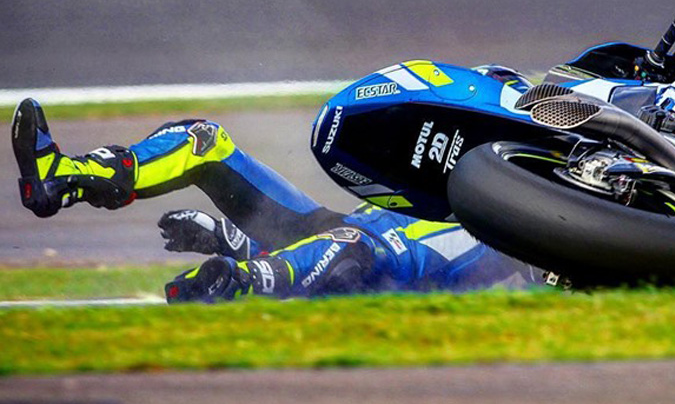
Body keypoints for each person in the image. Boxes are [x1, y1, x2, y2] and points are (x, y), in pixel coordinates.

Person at [11, 98, 538, 302]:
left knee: (353, 244)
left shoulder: (545, 228)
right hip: (334, 235)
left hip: (385, 271)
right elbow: (329, 243)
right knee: (205, 140)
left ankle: (240, 287)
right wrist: (229, 237)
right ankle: (67, 175)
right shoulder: (462, 179)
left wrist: (239, 261)